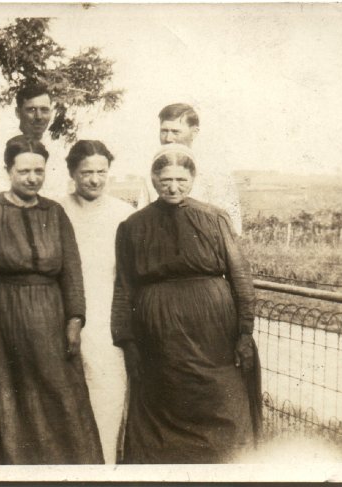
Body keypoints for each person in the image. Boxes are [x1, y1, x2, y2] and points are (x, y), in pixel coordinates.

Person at [0, 135, 103, 464]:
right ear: (8, 170)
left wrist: (74, 321)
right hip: (0, 320)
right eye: (24, 171)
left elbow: (71, 272)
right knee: (5, 400)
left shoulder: (55, 212)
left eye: (39, 171)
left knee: (57, 397)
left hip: (48, 320)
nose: (32, 178)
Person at [111, 144, 262, 464]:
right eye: (165, 179)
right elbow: (124, 286)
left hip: (213, 333)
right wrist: (127, 341)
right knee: (162, 401)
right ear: (153, 179)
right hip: (159, 335)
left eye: (181, 179)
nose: (173, 186)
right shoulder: (133, 226)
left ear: (192, 179)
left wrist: (245, 332)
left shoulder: (213, 217)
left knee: (220, 396)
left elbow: (240, 276)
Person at [59, 140, 134, 464]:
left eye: (101, 172)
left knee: (107, 394)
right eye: (86, 172)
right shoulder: (55, 209)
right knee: (65, 398)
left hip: (107, 317)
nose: (94, 179)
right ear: (72, 173)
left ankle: (103, 468)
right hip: (63, 314)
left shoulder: (125, 215)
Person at [137, 103, 243, 234]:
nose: (168, 138)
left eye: (175, 132)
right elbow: (141, 219)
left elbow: (231, 226)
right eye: (164, 131)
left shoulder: (215, 171)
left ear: (194, 133)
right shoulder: (152, 171)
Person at [0, 82, 73, 200]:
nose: (39, 116)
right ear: (18, 113)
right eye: (31, 110)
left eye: (44, 110)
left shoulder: (60, 153)